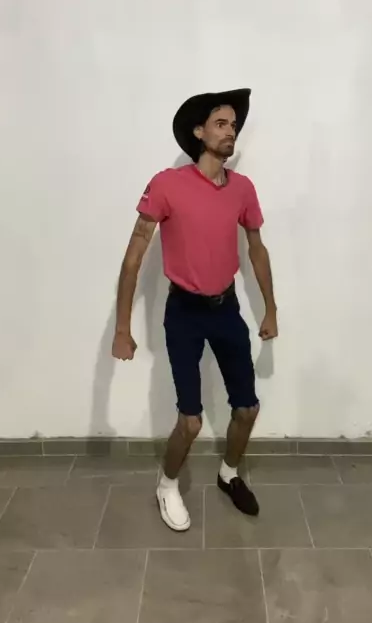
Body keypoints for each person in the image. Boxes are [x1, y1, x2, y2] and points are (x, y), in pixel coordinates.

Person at [112, 88, 278, 531]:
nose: (231, 132)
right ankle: (167, 484)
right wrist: (122, 329)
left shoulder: (242, 189)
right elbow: (134, 256)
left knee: (247, 409)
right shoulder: (167, 184)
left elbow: (257, 250)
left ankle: (229, 473)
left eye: (234, 126)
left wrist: (271, 310)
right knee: (190, 420)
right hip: (184, 312)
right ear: (199, 132)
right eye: (221, 124)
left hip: (226, 310)